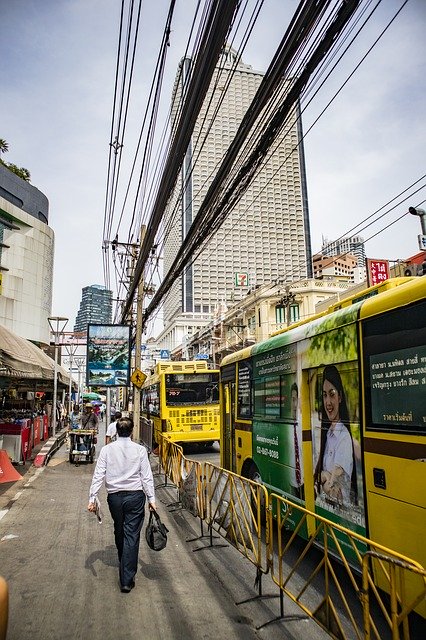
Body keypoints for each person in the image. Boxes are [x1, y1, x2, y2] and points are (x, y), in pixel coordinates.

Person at [87, 416, 156, 593]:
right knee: (131, 534)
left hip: (115, 498)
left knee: (119, 528)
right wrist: (151, 499)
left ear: (116, 431)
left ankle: (124, 562)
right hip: (135, 497)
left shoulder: (107, 450)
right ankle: (126, 579)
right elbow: (146, 476)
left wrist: (92, 497)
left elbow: (98, 474)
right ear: (132, 431)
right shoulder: (140, 450)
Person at [314, 365, 357, 506]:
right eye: (325, 395)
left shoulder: (343, 438)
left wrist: (324, 476)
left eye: (332, 394)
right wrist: (324, 475)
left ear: (340, 397)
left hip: (339, 515)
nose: (328, 402)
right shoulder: (328, 434)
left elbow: (335, 492)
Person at [289, 382, 304, 500]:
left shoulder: (304, 427)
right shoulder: (286, 430)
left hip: (304, 484)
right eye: (292, 400)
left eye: (296, 400)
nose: (294, 404)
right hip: (291, 484)